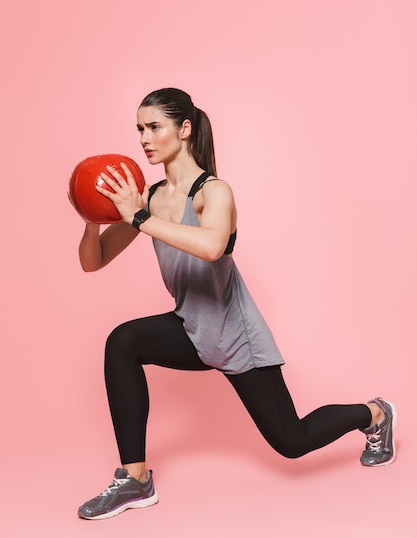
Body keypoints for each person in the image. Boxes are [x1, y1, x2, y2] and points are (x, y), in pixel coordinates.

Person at [76, 87, 396, 520]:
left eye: (154, 127)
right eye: (140, 129)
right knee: (122, 342)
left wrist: (138, 218)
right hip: (190, 328)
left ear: (184, 129)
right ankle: (135, 479)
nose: (144, 139)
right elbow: (92, 263)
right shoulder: (149, 199)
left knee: (292, 442)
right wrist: (93, 217)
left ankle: (375, 412)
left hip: (235, 338)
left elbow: (211, 246)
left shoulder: (214, 192)